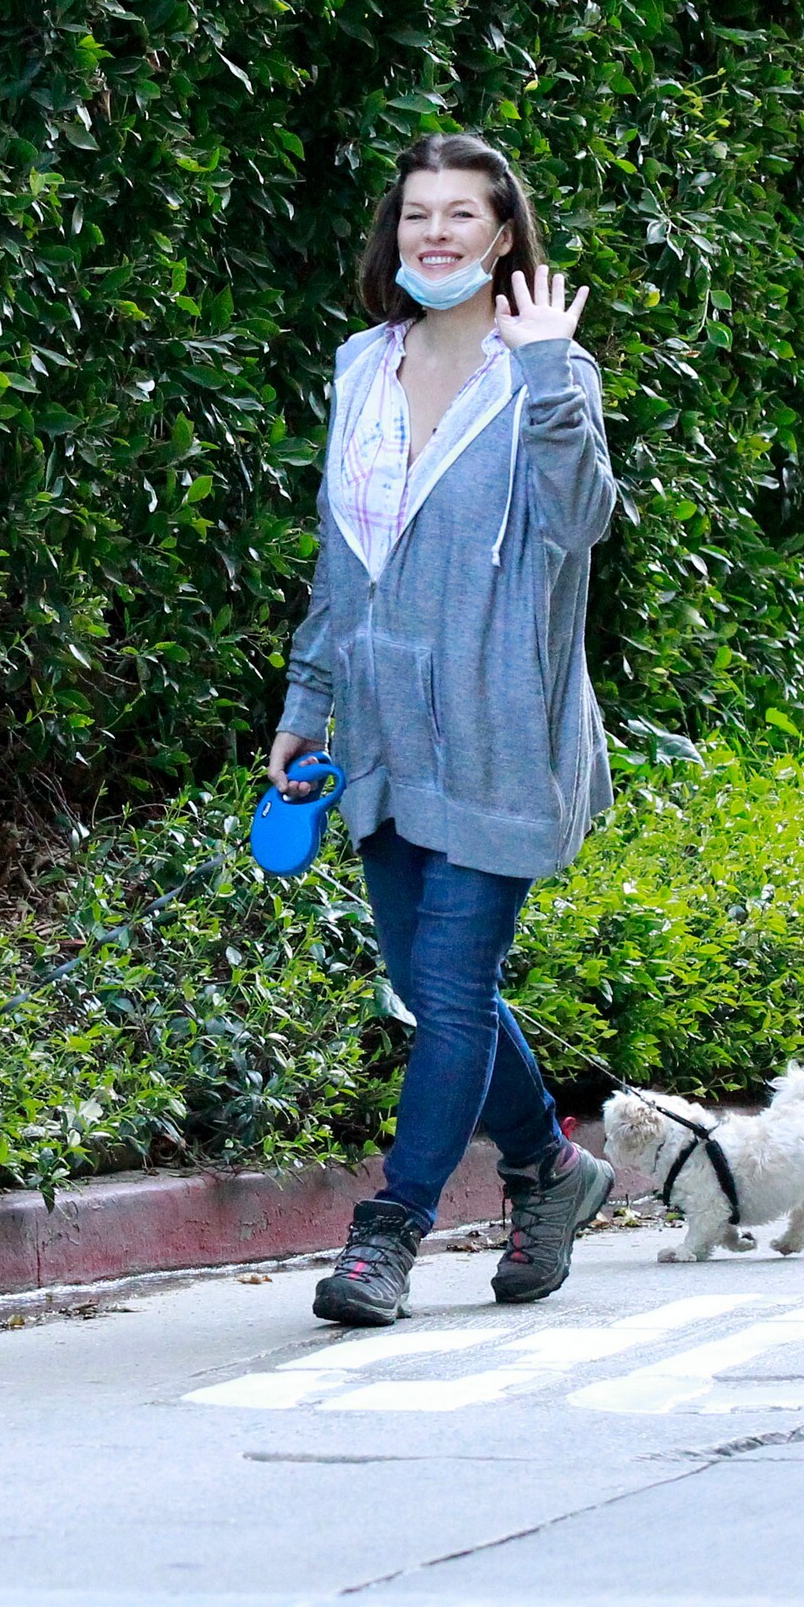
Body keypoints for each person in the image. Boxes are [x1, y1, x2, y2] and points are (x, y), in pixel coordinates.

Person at [269, 132, 617, 1324]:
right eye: (417, 213)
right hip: (381, 726)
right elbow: (340, 557)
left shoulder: (545, 372)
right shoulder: (361, 365)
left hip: (499, 724)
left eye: (461, 214)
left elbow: (580, 518)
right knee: (429, 985)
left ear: (503, 234)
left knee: (454, 986)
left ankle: (389, 1231)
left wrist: (549, 371)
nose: (435, 233)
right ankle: (550, 1168)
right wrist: (305, 703)